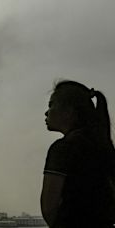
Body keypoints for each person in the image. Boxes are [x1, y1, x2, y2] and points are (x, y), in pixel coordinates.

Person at [41, 80, 115, 228]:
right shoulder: (104, 148)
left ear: (69, 112)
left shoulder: (63, 149)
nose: (47, 112)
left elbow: (49, 208)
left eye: (51, 105)